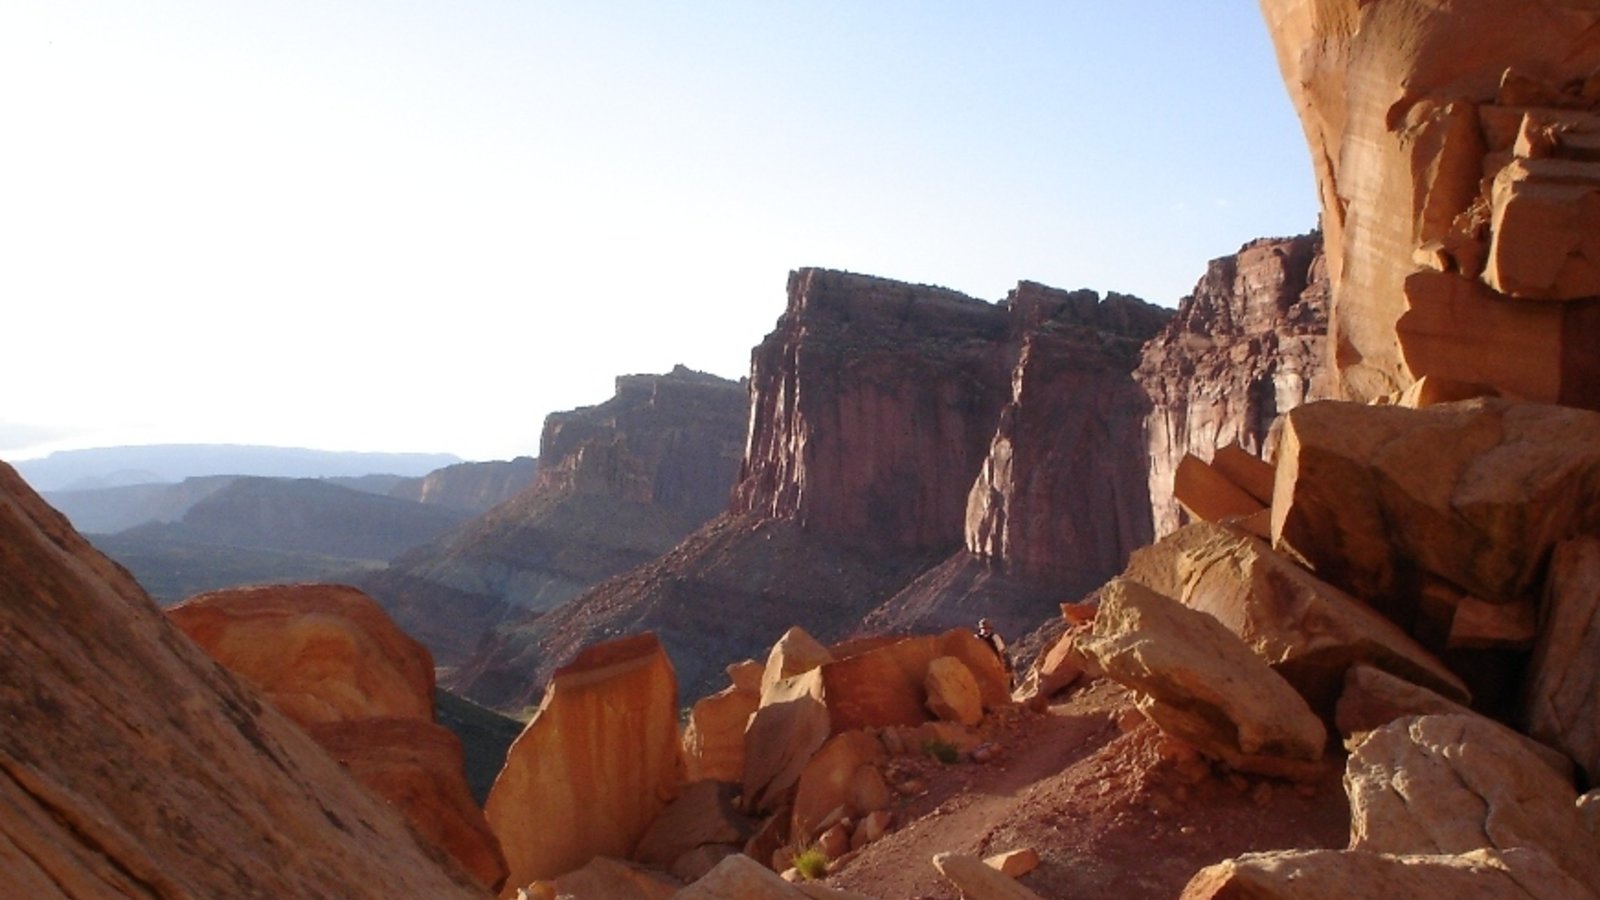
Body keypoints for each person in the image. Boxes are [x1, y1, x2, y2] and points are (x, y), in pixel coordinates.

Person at [976, 618, 1013, 686]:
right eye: (984, 628)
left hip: (994, 662)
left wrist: (1000, 664)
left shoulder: (995, 637)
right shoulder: (975, 638)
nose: (985, 630)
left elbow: (1001, 650)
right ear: (980, 628)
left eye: (987, 628)